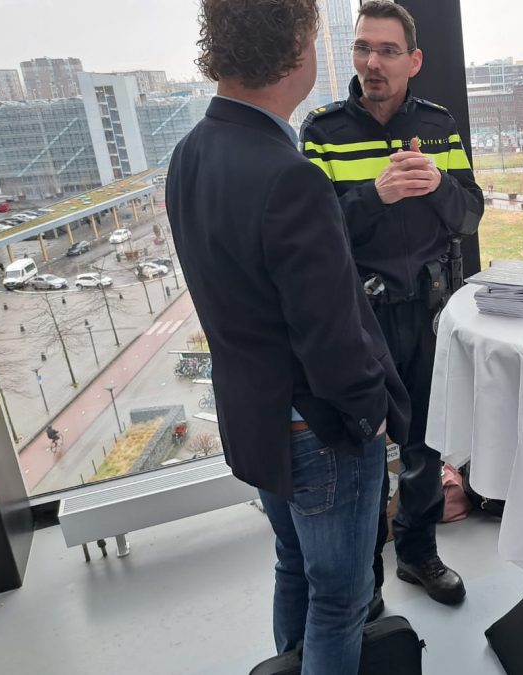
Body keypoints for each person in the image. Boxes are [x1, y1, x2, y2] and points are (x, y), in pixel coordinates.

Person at [165, 1, 409, 673]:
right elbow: (332, 337)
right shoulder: (289, 175)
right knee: (340, 597)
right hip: (321, 432)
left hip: (259, 417)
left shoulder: (189, 154)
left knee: (293, 565)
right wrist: (372, 415)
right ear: (297, 50)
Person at [300, 0, 483, 614]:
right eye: (363, 49)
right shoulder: (322, 131)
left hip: (432, 311)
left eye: (386, 50)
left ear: (414, 60)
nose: (372, 62)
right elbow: (315, 242)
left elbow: (470, 214)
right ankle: (365, 580)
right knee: (363, 447)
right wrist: (375, 195)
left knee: (426, 445)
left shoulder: (438, 124)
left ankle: (418, 553)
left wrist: (438, 185)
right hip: (362, 317)